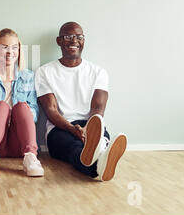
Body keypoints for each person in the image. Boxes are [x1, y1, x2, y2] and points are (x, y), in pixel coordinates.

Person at [35, 22, 127, 181]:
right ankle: (100, 163)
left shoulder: (98, 72)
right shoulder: (45, 72)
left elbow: (98, 108)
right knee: (75, 148)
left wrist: (88, 129)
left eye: (79, 37)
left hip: (92, 125)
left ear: (84, 41)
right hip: (59, 129)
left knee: (99, 140)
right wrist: (73, 129)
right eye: (68, 37)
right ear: (59, 41)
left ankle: (99, 157)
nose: (74, 41)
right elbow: (51, 111)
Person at [0, 28, 44, 177]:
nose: (10, 52)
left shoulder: (27, 76)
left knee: (22, 106)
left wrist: (25, 111)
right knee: (1, 106)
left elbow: (35, 112)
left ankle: (31, 157)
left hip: (19, 142)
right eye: (5, 47)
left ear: (19, 51)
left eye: (14, 47)